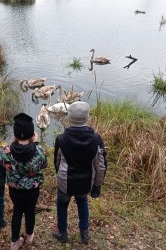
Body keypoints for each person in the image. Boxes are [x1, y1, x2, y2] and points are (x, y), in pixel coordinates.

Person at [52, 101, 107, 244]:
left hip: (65, 182)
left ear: (69, 118)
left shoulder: (61, 139)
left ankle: (62, 233)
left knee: (62, 205)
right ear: (87, 118)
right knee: (82, 203)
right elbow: (100, 166)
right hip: (85, 182)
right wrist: (97, 185)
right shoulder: (96, 139)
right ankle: (85, 234)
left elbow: (57, 162)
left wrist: (60, 175)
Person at [0, 113, 48, 250]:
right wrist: (36, 143)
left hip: (14, 189)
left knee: (17, 211)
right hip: (32, 190)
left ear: (15, 133)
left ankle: (14, 243)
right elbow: (44, 165)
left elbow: (2, 163)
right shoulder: (39, 151)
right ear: (32, 134)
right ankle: (29, 237)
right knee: (30, 211)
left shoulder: (6, 151)